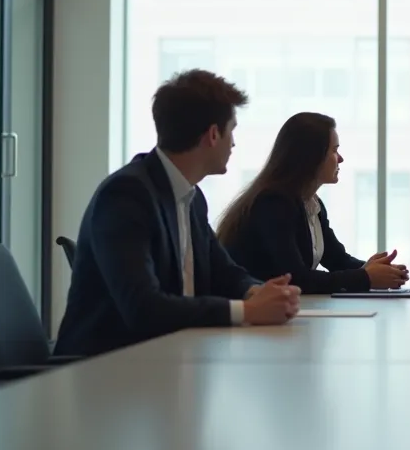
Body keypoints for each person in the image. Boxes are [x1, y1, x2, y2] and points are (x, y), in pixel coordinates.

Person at [55, 70, 300, 357]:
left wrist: (256, 292)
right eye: (231, 130)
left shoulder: (191, 198)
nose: (233, 143)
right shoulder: (125, 195)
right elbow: (142, 308)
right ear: (212, 134)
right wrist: (247, 310)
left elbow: (224, 272)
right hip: (104, 370)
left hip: (168, 357)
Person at [216, 112, 409, 294]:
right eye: (335, 150)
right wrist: (365, 277)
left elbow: (337, 260)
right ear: (311, 157)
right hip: (254, 318)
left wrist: (374, 270)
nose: (340, 159)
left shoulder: (311, 203)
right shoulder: (274, 203)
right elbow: (296, 278)